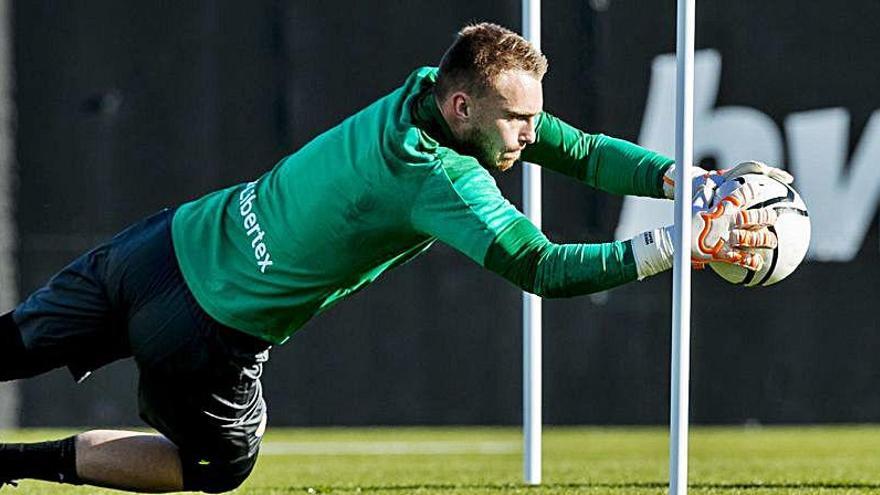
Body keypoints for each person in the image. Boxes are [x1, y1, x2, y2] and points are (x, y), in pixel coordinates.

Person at [0, 22, 789, 493]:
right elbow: (540, 267)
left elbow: (575, 148)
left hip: (163, 243)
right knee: (217, 467)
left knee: (8, 344)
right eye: (516, 121)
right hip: (207, 329)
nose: (528, 135)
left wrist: (685, 178)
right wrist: (672, 246)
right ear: (463, 108)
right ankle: (11, 464)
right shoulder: (436, 176)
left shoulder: (429, 88)